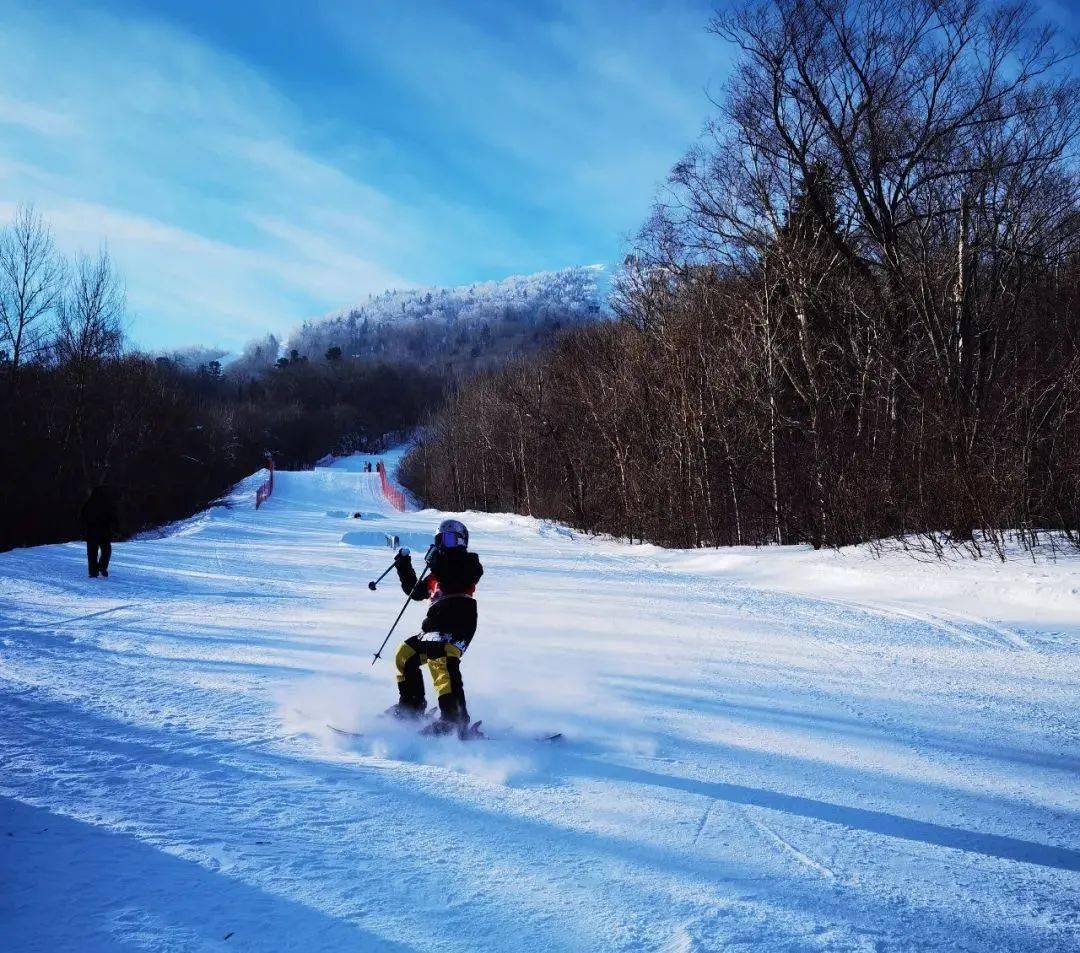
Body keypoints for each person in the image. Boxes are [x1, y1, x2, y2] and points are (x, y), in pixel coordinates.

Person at [388, 519, 484, 736]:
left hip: (459, 618)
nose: (442, 544)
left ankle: (454, 719)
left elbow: (459, 575)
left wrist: (437, 561)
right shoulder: (435, 572)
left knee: (441, 661)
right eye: (439, 539)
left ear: (460, 542)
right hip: (435, 624)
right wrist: (404, 565)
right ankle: (410, 708)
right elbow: (415, 593)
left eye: (448, 539)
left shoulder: (468, 562)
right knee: (405, 654)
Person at [80, 484, 119, 579]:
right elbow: (113, 518)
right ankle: (102, 566)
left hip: (91, 532)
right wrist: (117, 529)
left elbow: (82, 517)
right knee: (106, 550)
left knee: (92, 552)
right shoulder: (107, 504)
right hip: (104, 531)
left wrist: (82, 530)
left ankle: (93, 572)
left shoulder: (88, 503)